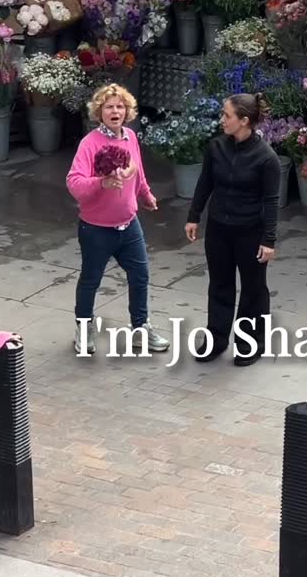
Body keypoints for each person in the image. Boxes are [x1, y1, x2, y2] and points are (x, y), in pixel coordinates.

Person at [67, 83, 169, 356]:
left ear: (128, 111)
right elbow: (74, 183)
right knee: (91, 280)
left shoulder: (130, 138)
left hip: (129, 224)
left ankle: (140, 329)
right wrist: (101, 183)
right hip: (96, 229)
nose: (116, 111)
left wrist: (145, 195)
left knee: (140, 276)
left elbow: (139, 172)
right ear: (99, 111)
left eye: (120, 106)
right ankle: (84, 329)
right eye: (110, 106)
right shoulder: (89, 143)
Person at [185, 93, 280, 367]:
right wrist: (194, 216)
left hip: (250, 232)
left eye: (227, 116)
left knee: (253, 290)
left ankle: (250, 343)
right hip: (218, 229)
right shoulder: (216, 148)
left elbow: (271, 201)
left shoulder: (266, 158)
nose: (221, 120)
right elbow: (205, 183)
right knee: (219, 284)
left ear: (244, 121)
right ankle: (216, 340)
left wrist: (269, 240)